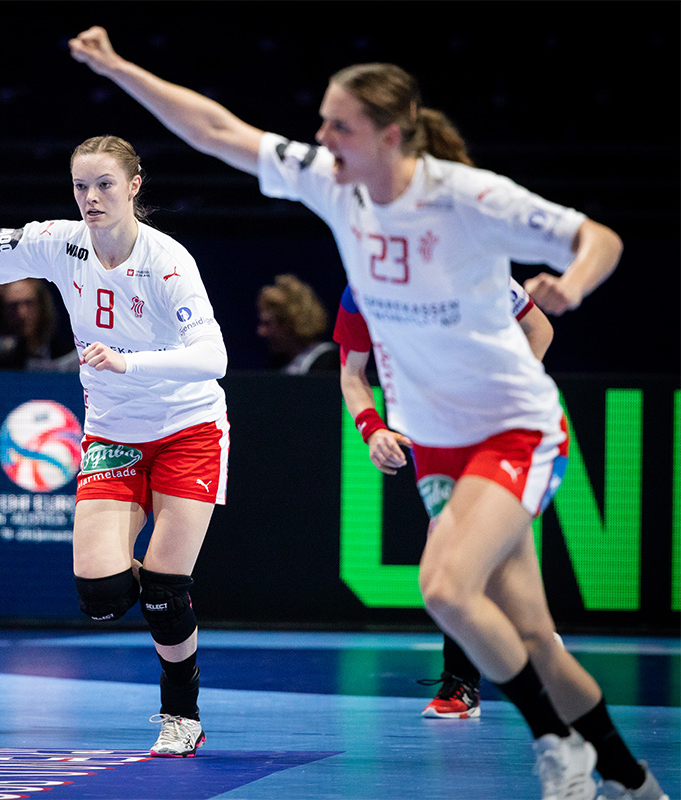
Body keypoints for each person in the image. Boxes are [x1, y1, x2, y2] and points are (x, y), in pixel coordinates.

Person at [69, 27, 666, 800]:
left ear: (390, 134)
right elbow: (218, 130)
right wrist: (118, 68)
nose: (321, 138)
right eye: (321, 122)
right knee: (531, 636)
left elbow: (599, 238)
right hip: (439, 441)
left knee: (445, 588)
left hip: (513, 425)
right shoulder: (337, 185)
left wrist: (573, 284)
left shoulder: (467, 197)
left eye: (339, 126)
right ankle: (630, 775)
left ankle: (557, 744)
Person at [0, 134, 230, 758]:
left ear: (133, 186)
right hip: (113, 433)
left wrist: (129, 363)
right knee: (102, 596)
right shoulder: (63, 242)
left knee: (164, 588)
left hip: (188, 429)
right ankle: (166, 598)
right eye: (81, 186)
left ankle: (182, 711)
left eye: (105, 184)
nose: (91, 197)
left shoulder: (168, 261)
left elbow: (213, 357)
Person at [336, 278, 553, 720]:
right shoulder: (359, 289)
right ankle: (532, 666)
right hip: (434, 434)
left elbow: (539, 328)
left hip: (500, 429)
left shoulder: (467, 268)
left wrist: (507, 395)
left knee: (457, 558)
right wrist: (372, 429)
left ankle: (473, 681)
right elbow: (353, 374)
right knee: (472, 569)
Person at [0, 278, 78, 371]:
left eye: (29, 304)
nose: (22, 314)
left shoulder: (68, 358)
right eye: (12, 306)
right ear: (0, 310)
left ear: (42, 307)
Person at [256, 273, 338, 373]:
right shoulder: (276, 365)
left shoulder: (329, 363)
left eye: (267, 324)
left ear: (290, 323)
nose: (261, 332)